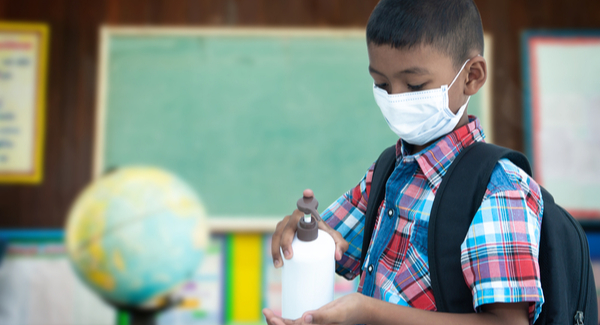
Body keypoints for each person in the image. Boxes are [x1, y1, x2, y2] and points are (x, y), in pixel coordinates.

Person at [263, 0, 544, 324]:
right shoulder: (389, 171)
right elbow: (335, 245)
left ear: (472, 76)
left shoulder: (498, 189)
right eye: (382, 84)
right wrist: (304, 228)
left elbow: (508, 323)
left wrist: (367, 312)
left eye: (414, 85)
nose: (395, 98)